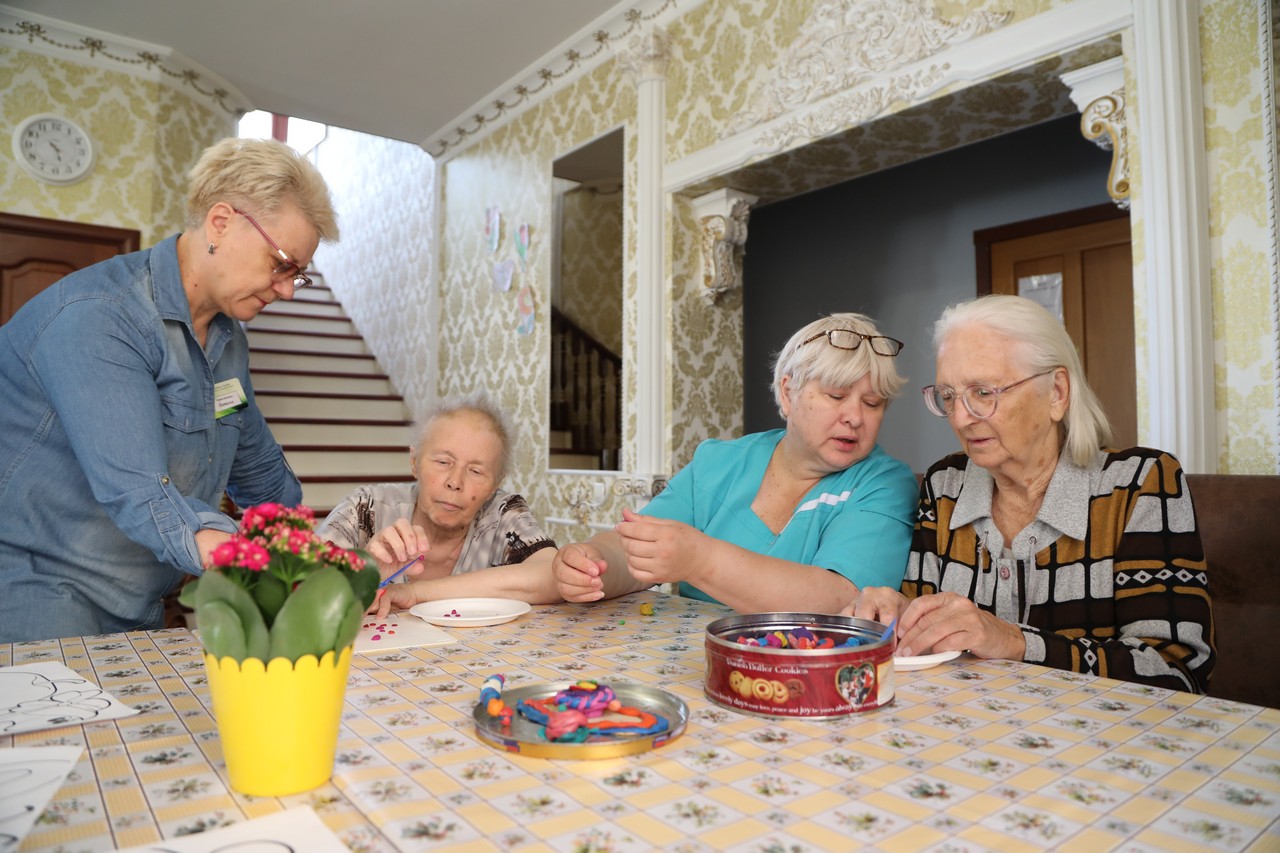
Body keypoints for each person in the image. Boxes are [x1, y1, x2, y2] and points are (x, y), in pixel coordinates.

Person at [0, 138, 334, 642]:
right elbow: (139, 492)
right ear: (221, 222)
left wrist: (316, 546)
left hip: (140, 602)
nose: (287, 289)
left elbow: (257, 466)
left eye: (299, 275)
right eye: (281, 263)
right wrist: (268, 564)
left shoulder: (228, 340)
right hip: (41, 594)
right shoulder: (101, 316)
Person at [844, 294, 1215, 693]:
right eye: (948, 397)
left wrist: (1016, 642)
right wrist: (898, 619)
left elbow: (1178, 673)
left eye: (983, 392)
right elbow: (926, 646)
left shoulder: (1141, 485)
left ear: (1056, 392)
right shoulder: (945, 485)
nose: (962, 418)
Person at [553, 312, 918, 613]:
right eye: (837, 395)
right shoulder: (719, 461)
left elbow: (842, 599)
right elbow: (638, 551)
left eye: (873, 404)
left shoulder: (884, 483)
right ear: (787, 393)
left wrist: (701, 559)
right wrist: (592, 563)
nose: (855, 416)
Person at [321, 394, 561, 617]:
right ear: (414, 463)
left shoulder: (502, 513)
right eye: (443, 462)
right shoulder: (366, 508)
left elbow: (553, 574)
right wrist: (364, 574)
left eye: (476, 471)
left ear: (494, 486)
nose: (455, 482)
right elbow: (295, 585)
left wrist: (416, 594)